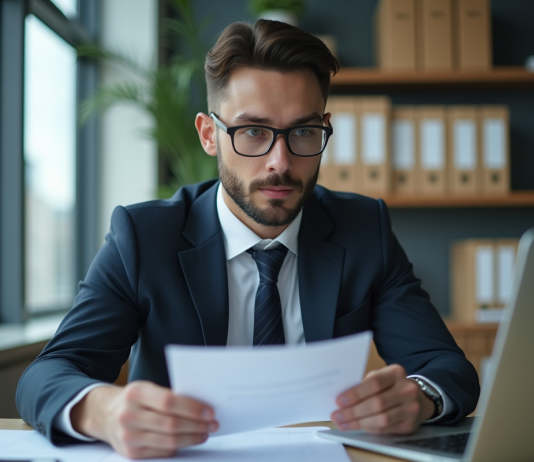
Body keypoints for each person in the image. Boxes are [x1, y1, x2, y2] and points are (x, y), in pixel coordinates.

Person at [16, 19, 479, 460]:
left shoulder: (363, 228)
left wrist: (418, 398)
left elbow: (446, 367)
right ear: (209, 135)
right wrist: (105, 411)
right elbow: (47, 375)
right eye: (253, 131)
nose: (280, 161)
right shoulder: (143, 237)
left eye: (303, 131)